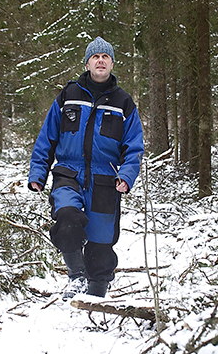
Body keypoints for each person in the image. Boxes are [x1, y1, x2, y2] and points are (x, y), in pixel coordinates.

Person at [28, 36, 145, 299]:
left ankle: (96, 299)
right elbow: (47, 137)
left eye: (105, 57)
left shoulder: (123, 102)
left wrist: (127, 175)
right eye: (95, 57)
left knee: (101, 247)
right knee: (67, 218)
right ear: (88, 63)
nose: (100, 61)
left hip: (105, 180)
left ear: (112, 63)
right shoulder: (68, 96)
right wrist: (38, 172)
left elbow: (134, 146)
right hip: (69, 172)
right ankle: (76, 276)